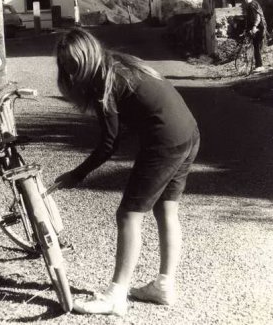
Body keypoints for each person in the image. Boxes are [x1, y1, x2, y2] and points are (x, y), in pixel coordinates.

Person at [55, 28, 200, 316]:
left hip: (165, 141)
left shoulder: (103, 82)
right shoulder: (119, 63)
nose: (68, 71)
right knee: (165, 209)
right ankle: (164, 286)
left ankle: (115, 296)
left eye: (71, 64)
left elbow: (109, 143)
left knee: (127, 215)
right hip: (189, 132)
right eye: (63, 64)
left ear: (85, 58)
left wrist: (78, 174)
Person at [243, 0, 267, 73]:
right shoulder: (252, 4)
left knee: (256, 46)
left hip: (259, 28)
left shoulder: (252, 4)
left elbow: (258, 17)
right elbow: (250, 19)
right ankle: (258, 65)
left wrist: (254, 27)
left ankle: (260, 66)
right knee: (256, 46)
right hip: (257, 28)